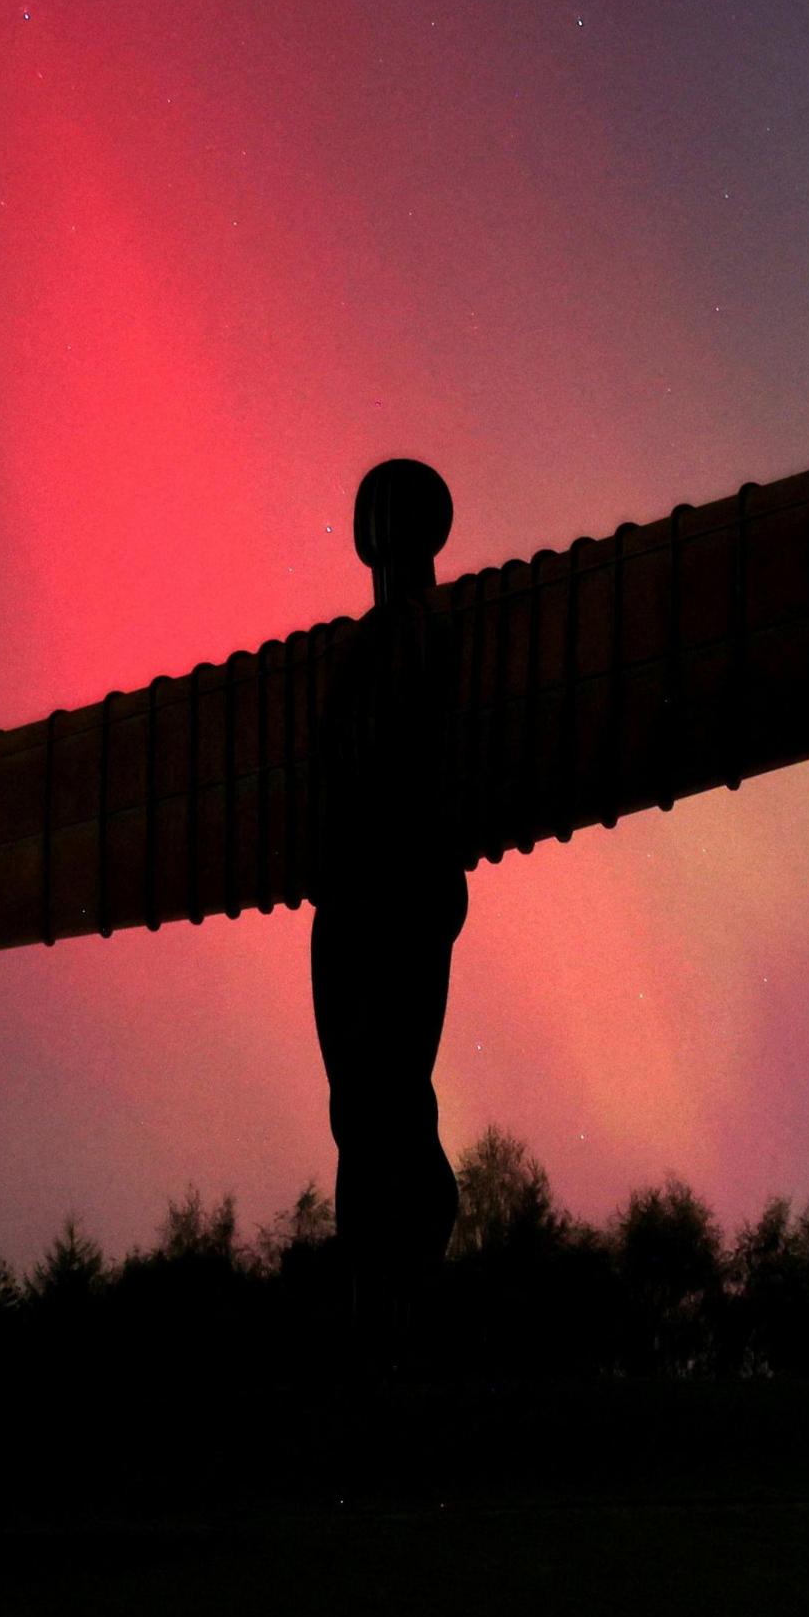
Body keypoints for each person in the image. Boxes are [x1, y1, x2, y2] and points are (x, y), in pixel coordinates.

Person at [310, 458, 470, 1320]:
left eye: (393, 522)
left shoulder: (437, 628)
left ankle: (408, 1262)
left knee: (390, 1084)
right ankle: (373, 1289)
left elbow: (413, 741)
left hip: (405, 878)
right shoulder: (356, 646)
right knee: (356, 1100)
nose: (383, 540)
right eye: (375, 523)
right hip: (348, 890)